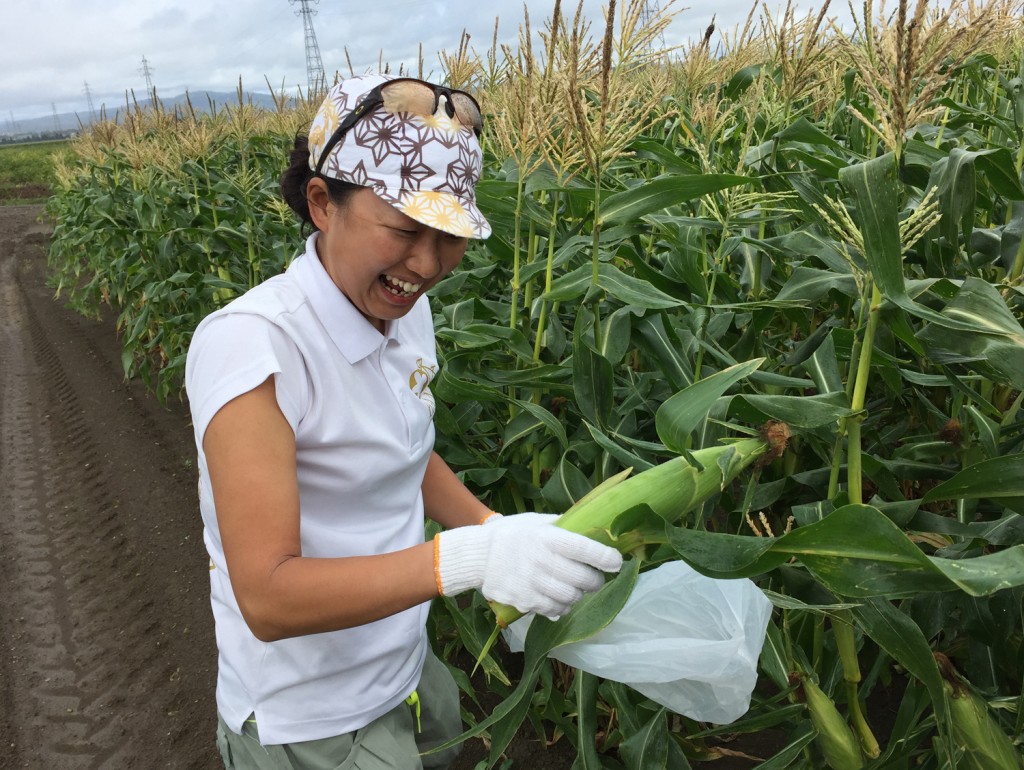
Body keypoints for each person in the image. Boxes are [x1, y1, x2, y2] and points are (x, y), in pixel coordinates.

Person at [184, 73, 623, 770]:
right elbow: (267, 596)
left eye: (449, 236)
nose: (426, 264)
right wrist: (469, 560)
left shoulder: (401, 311)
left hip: (405, 667)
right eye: (404, 229)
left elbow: (403, 446)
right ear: (323, 204)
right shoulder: (256, 347)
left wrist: (491, 529)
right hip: (313, 720)